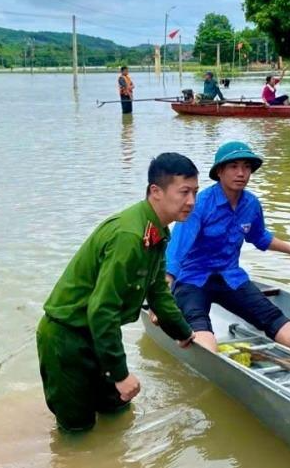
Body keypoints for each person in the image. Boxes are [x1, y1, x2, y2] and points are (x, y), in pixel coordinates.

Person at [36, 153, 198, 432]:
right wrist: (120, 374)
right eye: (184, 192)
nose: (191, 202)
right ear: (156, 192)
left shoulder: (158, 233)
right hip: (67, 340)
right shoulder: (130, 236)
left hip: (99, 336)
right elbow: (102, 310)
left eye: (195, 192)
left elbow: (158, 291)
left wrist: (183, 333)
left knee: (118, 411)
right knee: (78, 432)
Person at [165, 141, 290, 363]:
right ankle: (214, 363)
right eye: (234, 167)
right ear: (219, 171)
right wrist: (164, 289)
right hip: (193, 279)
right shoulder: (199, 203)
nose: (241, 173)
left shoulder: (250, 203)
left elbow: (259, 237)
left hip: (230, 277)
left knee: (272, 317)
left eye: (247, 167)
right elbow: (176, 250)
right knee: (198, 324)